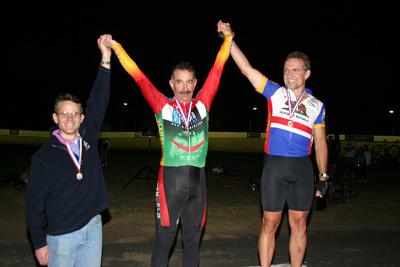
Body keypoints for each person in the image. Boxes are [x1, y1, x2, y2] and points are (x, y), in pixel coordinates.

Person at [104, 23, 233, 267]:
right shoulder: (161, 105)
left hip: (199, 182)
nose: (184, 87)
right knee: (164, 243)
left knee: (193, 243)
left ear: (195, 83)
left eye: (189, 82)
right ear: (171, 84)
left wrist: (227, 38)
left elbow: (218, 68)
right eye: (179, 82)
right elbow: (138, 76)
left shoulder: (203, 103)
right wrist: (117, 47)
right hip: (169, 183)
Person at [217, 21, 328, 267]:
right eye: (286, 69)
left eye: (295, 70)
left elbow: (320, 142)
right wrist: (229, 39)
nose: (289, 74)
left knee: (299, 225)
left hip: (302, 169)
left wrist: (323, 175)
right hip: (275, 167)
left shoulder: (317, 106)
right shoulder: (275, 93)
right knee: (270, 224)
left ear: (306, 73)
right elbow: (247, 69)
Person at [26, 34, 113, 266]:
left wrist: (105, 60)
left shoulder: (88, 136)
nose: (70, 118)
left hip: (93, 228)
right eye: (64, 113)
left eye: (75, 113)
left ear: (82, 118)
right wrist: (38, 243)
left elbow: (98, 99)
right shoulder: (43, 157)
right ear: (55, 117)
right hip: (61, 236)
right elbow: (34, 204)